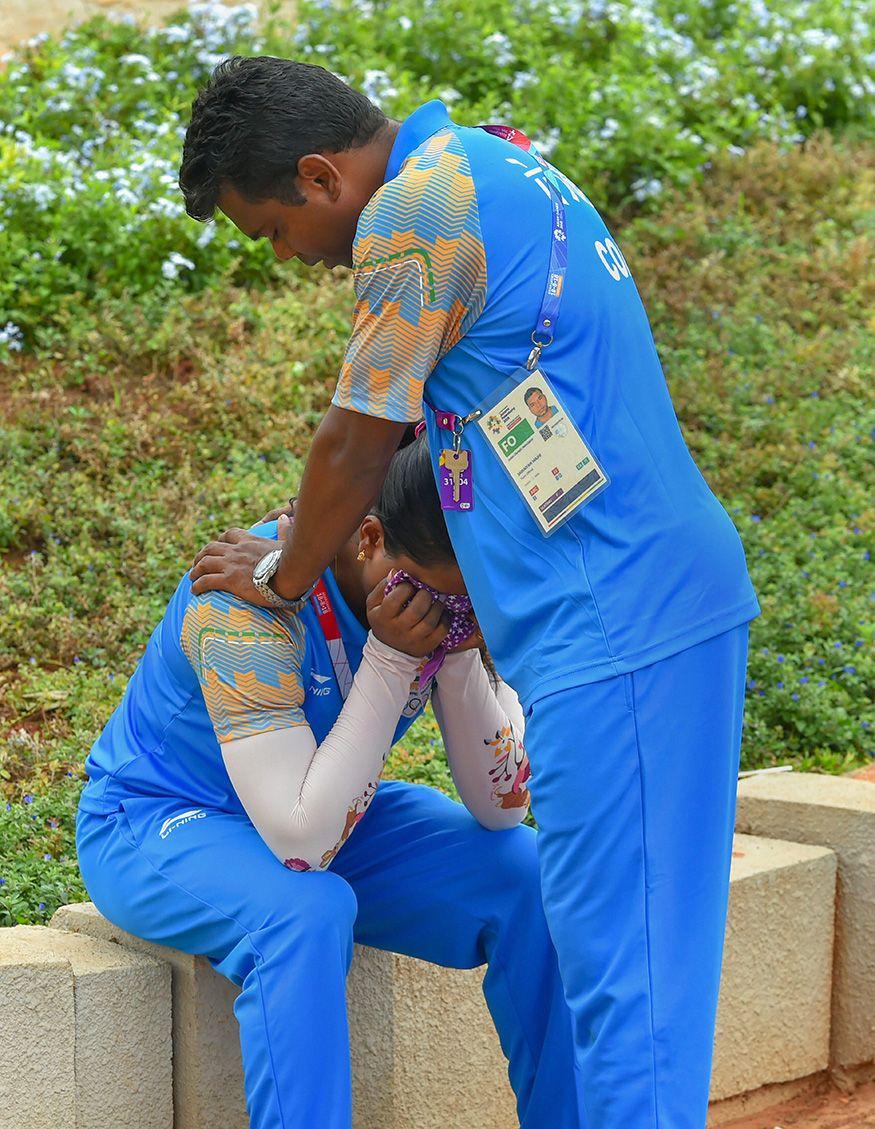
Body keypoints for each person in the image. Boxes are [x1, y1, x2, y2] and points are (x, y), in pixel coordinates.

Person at [179, 57, 760, 1127]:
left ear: (319, 178)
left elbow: (354, 435)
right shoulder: (492, 166)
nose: (291, 258)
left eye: (269, 231)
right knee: (649, 960)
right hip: (662, 603)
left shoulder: (413, 211)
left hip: (610, 624)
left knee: (617, 978)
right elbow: (439, 424)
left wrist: (283, 574)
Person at [76, 434, 584, 1129]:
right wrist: (390, 658)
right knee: (303, 912)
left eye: (468, 603)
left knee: (525, 874)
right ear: (369, 538)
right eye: (441, 600)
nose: (447, 616)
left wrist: (459, 654)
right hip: (160, 817)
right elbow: (304, 846)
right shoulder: (239, 601)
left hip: (317, 801)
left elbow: (502, 808)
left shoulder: (438, 593)